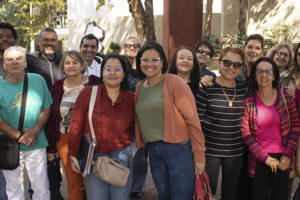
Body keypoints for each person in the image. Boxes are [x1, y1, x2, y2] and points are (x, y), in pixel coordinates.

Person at [135, 42, 206, 200]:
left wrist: (199, 156)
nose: (150, 64)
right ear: (139, 62)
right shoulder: (140, 87)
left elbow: (193, 121)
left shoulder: (174, 82)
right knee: (164, 196)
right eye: (145, 60)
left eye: (154, 60)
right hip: (154, 151)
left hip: (179, 150)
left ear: (162, 62)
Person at [68, 53, 135, 200]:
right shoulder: (88, 93)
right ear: (102, 72)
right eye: (108, 68)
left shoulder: (131, 99)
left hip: (121, 157)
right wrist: (73, 154)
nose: (112, 73)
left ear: (124, 74)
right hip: (95, 157)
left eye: (117, 69)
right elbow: (76, 124)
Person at [241, 57, 300, 200]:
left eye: (268, 71)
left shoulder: (285, 96)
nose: (264, 75)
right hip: (259, 159)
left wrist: (288, 156)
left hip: (283, 159)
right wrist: (266, 159)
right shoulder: (249, 101)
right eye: (259, 72)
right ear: (254, 76)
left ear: (274, 75)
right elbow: (246, 134)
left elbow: (296, 128)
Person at [46, 51, 100, 200]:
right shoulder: (57, 86)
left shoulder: (94, 82)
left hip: (90, 139)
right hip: (64, 139)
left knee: (90, 180)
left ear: (82, 65)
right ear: (63, 66)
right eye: (67, 63)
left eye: (75, 62)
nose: (71, 66)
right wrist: (51, 147)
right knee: (73, 181)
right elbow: (52, 118)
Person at [0, 46, 52, 200]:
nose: (14, 62)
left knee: (41, 188)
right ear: (4, 64)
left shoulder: (38, 79)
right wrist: (20, 136)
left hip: (36, 143)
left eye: (19, 58)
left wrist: (35, 130)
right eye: (9, 59)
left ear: (25, 63)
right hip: (9, 145)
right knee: (13, 189)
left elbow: (46, 107)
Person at [197, 47, 248, 200]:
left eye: (237, 65)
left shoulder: (244, 88)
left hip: (235, 151)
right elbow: (198, 120)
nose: (231, 67)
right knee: (208, 192)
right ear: (219, 63)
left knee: (230, 193)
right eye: (227, 62)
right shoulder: (207, 87)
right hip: (210, 150)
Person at [237, 33, 264, 200]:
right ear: (244, 48)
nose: (253, 50)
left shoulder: (264, 71)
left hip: (256, 130)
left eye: (257, 48)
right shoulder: (235, 68)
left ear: (262, 51)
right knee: (238, 175)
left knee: (254, 175)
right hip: (235, 129)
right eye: (250, 47)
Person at [122, 37, 147, 200]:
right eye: (128, 45)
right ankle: (123, 185)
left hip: (142, 119)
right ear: (124, 48)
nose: (132, 48)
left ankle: (137, 188)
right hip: (123, 119)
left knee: (140, 158)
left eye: (135, 45)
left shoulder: (144, 68)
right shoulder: (121, 66)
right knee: (124, 155)